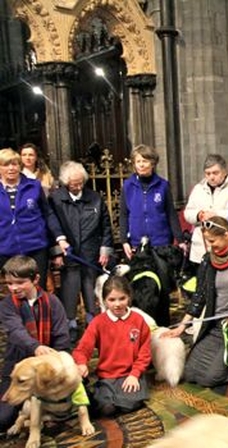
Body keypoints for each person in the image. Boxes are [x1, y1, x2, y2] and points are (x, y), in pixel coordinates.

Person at [162, 217, 228, 387]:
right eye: (207, 242)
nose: (210, 246)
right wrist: (181, 326)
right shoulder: (207, 260)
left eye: (213, 241)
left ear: (226, 235)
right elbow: (199, 296)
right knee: (190, 374)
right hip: (215, 327)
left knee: (211, 378)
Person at [0, 255, 70, 430]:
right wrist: (36, 347)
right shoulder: (7, 305)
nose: (13, 288)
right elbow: (16, 331)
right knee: (3, 419)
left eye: (20, 282)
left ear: (36, 279)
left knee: (70, 408)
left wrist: (57, 363)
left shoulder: (53, 302)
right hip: (18, 366)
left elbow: (62, 339)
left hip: (47, 369)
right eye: (9, 283)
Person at [49, 161, 113, 340]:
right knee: (70, 287)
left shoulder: (95, 198)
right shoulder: (55, 199)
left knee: (90, 286)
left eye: (80, 183)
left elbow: (106, 226)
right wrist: (56, 253)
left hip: (91, 253)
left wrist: (104, 250)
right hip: (68, 253)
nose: (77, 187)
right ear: (65, 182)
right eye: (73, 184)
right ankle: (70, 323)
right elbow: (51, 227)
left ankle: (93, 321)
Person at [72, 275, 151, 417]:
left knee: (129, 405)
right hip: (107, 377)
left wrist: (135, 374)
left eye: (122, 298)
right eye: (112, 300)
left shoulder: (138, 320)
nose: (117, 304)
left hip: (130, 374)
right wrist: (81, 363)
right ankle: (103, 395)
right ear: (104, 301)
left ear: (129, 297)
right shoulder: (98, 322)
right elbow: (83, 348)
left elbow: (144, 353)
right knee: (106, 409)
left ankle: (119, 398)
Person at [0, 148, 68, 290]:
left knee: (37, 290)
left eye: (15, 164)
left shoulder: (34, 186)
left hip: (35, 247)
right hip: (6, 249)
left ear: (20, 166)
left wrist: (60, 238)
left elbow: (48, 213)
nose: (11, 168)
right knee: (15, 291)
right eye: (6, 165)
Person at [119, 144, 184, 260]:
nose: (141, 165)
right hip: (137, 243)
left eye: (145, 161)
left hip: (161, 242)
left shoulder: (163, 185)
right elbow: (124, 215)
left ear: (153, 163)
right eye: (138, 161)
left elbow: (171, 213)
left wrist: (180, 240)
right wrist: (124, 241)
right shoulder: (127, 186)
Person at [183, 154, 228, 269]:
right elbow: (187, 213)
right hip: (201, 246)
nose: (211, 177)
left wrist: (217, 215)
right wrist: (198, 215)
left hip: (225, 245)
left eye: (215, 173)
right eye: (208, 173)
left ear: (224, 172)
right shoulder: (198, 189)